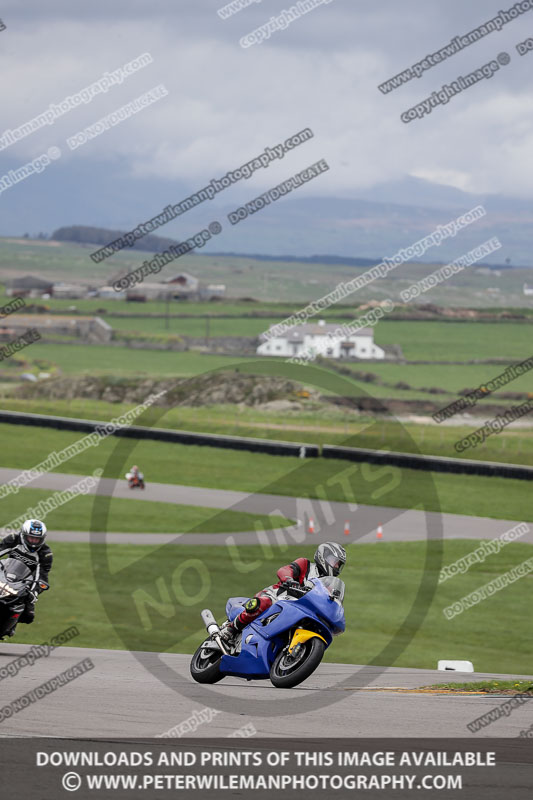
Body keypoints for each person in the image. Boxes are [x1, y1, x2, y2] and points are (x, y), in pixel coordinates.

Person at [220, 541, 346, 641]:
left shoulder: (328, 585)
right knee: (262, 603)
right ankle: (231, 629)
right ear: (323, 556)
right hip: (279, 597)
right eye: (334, 562)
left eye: (338, 565)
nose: (336, 567)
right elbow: (284, 570)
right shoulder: (305, 564)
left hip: (299, 609)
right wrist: (289, 579)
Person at [0, 519, 52, 625]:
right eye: (31, 538)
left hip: (25, 583)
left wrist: (34, 592)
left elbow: (42, 576)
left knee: (29, 616)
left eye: (37, 539)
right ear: (23, 535)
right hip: (6, 574)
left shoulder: (45, 554)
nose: (33, 542)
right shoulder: (13, 539)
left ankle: (9, 627)